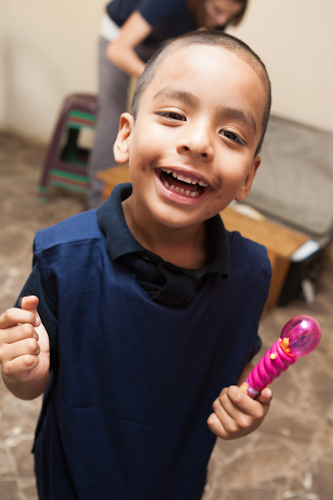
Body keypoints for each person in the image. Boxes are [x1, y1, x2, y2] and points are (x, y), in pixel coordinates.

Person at [0, 30, 272, 500]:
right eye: (173, 114)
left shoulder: (249, 274)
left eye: (231, 134)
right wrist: (21, 373)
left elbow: (239, 372)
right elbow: (30, 386)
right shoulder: (63, 257)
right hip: (73, 477)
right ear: (125, 135)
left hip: (176, 478)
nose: (199, 142)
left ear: (248, 176)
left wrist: (245, 411)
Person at [87, 0, 249, 208]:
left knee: (172, 115)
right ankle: (97, 202)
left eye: (229, 16)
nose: (222, 20)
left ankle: (146, 200)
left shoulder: (218, 14)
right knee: (112, 118)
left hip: (160, 42)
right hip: (119, 37)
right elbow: (118, 50)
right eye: (217, 11)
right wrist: (159, 81)